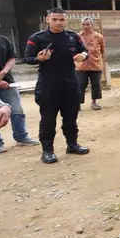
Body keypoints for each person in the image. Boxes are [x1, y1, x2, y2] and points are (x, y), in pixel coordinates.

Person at [24, 8, 90, 164]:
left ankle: (72, 144)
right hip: (48, 84)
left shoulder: (73, 37)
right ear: (48, 19)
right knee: (48, 119)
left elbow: (85, 51)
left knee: (71, 117)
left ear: (66, 20)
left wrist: (83, 56)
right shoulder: (37, 38)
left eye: (62, 19)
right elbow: (27, 58)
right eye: (55, 19)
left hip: (70, 82)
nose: (58, 22)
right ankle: (47, 151)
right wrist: (39, 59)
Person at [0, 33, 38, 153]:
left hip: (7, 81)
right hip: (2, 81)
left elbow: (12, 58)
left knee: (17, 110)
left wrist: (3, 73)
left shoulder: (4, 40)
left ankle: (21, 136)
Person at [76, 17, 106, 111]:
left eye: (88, 24)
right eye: (83, 24)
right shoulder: (77, 37)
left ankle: (94, 102)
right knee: (80, 85)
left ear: (92, 25)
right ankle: (77, 104)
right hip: (81, 66)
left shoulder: (99, 37)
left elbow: (102, 50)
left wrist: (102, 61)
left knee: (96, 84)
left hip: (95, 64)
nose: (85, 26)